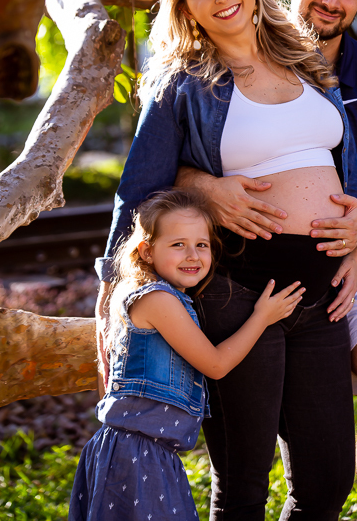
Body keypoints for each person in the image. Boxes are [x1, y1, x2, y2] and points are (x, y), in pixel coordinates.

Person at [95, 0, 357, 521]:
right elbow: (139, 192)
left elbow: (341, 166)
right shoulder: (181, 83)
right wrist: (112, 292)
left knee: (327, 482)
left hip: (320, 297)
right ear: (185, 8)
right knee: (244, 484)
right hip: (237, 291)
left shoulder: (304, 59)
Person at [178, 0, 357, 521]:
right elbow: (157, 171)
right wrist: (206, 189)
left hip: (335, 263)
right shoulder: (223, 57)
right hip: (244, 270)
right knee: (244, 479)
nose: (331, 1)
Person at [73, 188, 304, 521]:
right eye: (178, 244)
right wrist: (262, 317)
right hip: (137, 454)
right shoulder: (157, 300)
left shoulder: (167, 297)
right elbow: (216, 364)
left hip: (150, 452)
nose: (193, 255)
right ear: (147, 251)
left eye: (202, 245)